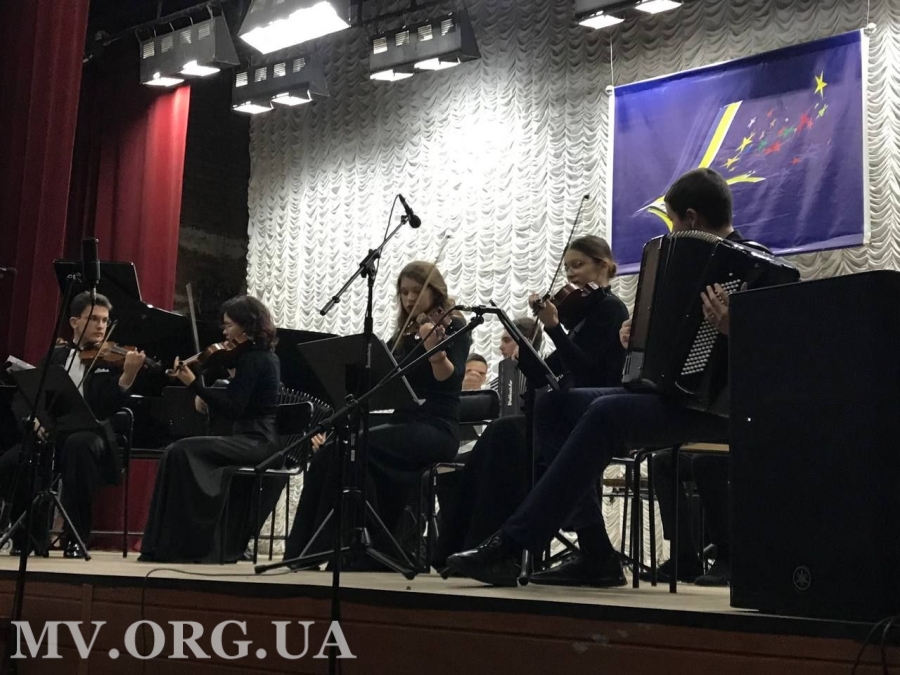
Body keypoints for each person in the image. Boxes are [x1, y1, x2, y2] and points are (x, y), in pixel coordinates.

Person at [447, 168, 751, 587]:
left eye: (673, 221)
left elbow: (778, 352)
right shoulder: (685, 264)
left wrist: (737, 327)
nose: (672, 230)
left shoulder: (755, 266)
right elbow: (665, 343)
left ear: (691, 218)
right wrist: (637, 338)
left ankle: (512, 544)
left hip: (719, 406)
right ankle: (595, 552)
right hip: (671, 395)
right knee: (553, 405)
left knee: (605, 412)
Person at [434, 236, 628, 570]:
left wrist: (554, 328)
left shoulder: (610, 309)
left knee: (507, 436)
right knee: (499, 434)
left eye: (578, 265)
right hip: (566, 413)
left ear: (603, 265)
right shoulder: (581, 317)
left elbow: (586, 369)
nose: (571, 274)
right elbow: (546, 375)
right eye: (567, 267)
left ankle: (501, 552)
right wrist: (525, 353)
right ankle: (461, 546)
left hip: (590, 416)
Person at [284, 261, 471, 566]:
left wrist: (435, 351)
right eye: (404, 292)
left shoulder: (454, 326)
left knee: (355, 448)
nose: (409, 298)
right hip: (404, 423)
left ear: (435, 291)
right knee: (333, 449)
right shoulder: (404, 333)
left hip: (437, 427)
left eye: (416, 291)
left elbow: (449, 379)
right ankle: (304, 551)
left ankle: (339, 548)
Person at [0, 291, 146, 558]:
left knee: (78, 447)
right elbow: (25, 395)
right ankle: (30, 537)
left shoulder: (113, 361)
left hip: (91, 434)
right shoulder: (55, 356)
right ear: (74, 322)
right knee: (12, 461)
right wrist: (32, 419)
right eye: (94, 319)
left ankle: (76, 538)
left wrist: (127, 376)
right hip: (54, 433)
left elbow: (104, 408)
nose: (101, 325)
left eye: (105, 320)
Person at [139, 295, 281, 563]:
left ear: (246, 325)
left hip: (257, 441)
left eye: (228, 325)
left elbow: (234, 408)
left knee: (181, 450)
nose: (224, 332)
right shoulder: (257, 357)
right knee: (179, 450)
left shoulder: (254, 359)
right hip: (253, 438)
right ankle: (186, 541)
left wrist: (195, 385)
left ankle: (185, 542)